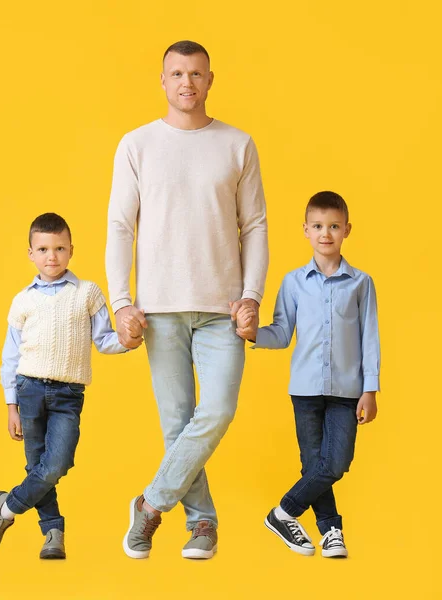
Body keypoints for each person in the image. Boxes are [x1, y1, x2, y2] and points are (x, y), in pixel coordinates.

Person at [106, 40, 269, 559]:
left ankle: (150, 505)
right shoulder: (136, 144)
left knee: (217, 408)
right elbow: (119, 226)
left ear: (210, 80)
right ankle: (202, 523)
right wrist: (122, 301)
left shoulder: (237, 144)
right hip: (159, 309)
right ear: (162, 80)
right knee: (176, 422)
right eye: (176, 73)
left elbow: (257, 226)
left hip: (223, 308)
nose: (186, 83)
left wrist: (251, 295)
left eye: (196, 74)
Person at [0, 213, 132, 559]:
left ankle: (6, 508)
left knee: (56, 464)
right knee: (37, 466)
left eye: (60, 248)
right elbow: (10, 356)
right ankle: (53, 532)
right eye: (44, 249)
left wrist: (129, 340)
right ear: (31, 254)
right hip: (29, 390)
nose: (52, 256)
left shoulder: (87, 293)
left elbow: (105, 339)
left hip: (67, 395)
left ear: (71, 250)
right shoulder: (23, 300)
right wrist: (11, 405)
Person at [236, 191, 380, 558]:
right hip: (305, 390)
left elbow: (370, 339)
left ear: (347, 229)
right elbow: (281, 333)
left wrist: (370, 389)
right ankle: (331, 531)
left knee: (336, 462)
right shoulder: (294, 282)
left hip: (348, 390)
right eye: (317, 226)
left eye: (333, 226)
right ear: (305, 230)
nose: (325, 233)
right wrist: (254, 334)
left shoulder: (361, 283)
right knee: (314, 463)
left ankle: (282, 513)